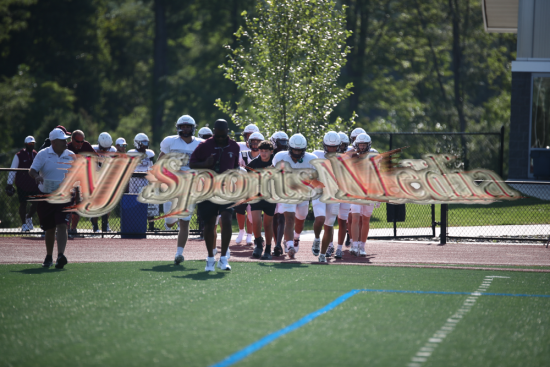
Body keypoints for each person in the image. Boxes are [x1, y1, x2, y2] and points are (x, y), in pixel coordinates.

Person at [189, 119, 240, 271]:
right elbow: (192, 163)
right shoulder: (204, 146)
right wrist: (204, 163)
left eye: (222, 136)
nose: (219, 138)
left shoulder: (234, 146)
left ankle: (223, 258)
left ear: (227, 132)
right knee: (210, 223)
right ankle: (210, 258)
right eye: (217, 136)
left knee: (227, 219)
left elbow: (236, 165)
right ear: (213, 131)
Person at [158, 114, 203, 265]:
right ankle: (170, 221)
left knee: (184, 222)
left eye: (187, 126)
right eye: (182, 126)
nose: (185, 129)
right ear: (178, 128)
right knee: (170, 221)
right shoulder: (170, 141)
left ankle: (179, 253)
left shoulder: (200, 144)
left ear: (193, 128)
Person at [29, 128, 75, 268]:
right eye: (63, 140)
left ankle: (60, 256)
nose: (66, 142)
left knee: (62, 224)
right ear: (54, 142)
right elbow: (32, 170)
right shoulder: (43, 154)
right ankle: (49, 256)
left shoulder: (71, 155)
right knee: (50, 228)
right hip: (46, 196)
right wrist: (36, 176)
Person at [272, 133, 317, 259]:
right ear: (290, 148)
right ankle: (290, 245)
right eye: (295, 150)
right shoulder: (280, 157)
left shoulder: (310, 159)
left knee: (300, 220)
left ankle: (296, 237)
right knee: (289, 218)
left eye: (299, 150)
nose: (297, 153)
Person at [311, 131, 341, 263]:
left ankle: (322, 254)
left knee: (329, 225)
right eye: (329, 146)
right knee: (320, 218)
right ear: (324, 146)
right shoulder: (316, 155)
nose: (332, 149)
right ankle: (317, 238)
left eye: (334, 147)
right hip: (319, 192)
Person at [245, 140, 276, 260]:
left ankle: (268, 249)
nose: (263, 153)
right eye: (261, 151)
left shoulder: (275, 163)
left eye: (266, 151)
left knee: (267, 225)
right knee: (256, 222)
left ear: (271, 152)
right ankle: (258, 243)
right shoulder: (254, 163)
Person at [348, 133, 379, 257]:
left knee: (365, 219)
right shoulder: (352, 155)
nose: (361, 147)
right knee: (355, 218)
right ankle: (354, 245)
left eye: (363, 144)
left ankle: (362, 246)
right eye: (360, 144)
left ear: (368, 145)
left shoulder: (374, 156)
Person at [6, 136, 40, 232]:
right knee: (23, 204)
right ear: (25, 144)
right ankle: (24, 224)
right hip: (22, 184)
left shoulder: (35, 154)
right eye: (30, 144)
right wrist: (9, 183)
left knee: (36, 203)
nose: (31, 145)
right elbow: (13, 169)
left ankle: (28, 217)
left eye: (33, 143)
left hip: (33, 184)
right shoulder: (19, 155)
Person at [235, 131, 264, 246]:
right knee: (240, 210)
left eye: (258, 142)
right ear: (248, 143)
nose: (256, 144)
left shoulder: (265, 157)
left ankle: (250, 235)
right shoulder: (243, 154)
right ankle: (241, 231)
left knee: (252, 213)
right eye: (253, 142)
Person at [66, 130, 96, 235]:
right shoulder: (67, 147)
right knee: (68, 204)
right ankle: (66, 228)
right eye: (77, 141)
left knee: (78, 204)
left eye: (81, 141)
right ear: (72, 139)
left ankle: (73, 229)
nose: (80, 144)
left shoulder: (86, 146)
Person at [127, 133, 158, 231]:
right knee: (135, 202)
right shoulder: (132, 153)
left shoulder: (149, 153)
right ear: (137, 143)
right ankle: (134, 225)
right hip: (135, 180)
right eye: (143, 142)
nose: (145, 145)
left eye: (146, 142)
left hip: (146, 181)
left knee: (150, 203)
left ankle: (151, 226)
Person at [91, 132, 117, 232]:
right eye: (103, 148)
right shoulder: (93, 149)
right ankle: (95, 225)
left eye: (107, 148)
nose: (105, 150)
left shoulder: (113, 150)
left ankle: (105, 224)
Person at [270, 131, 289, 255]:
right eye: (280, 143)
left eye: (284, 143)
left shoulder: (288, 155)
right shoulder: (268, 155)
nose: (282, 145)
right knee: (274, 217)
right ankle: (277, 242)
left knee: (282, 216)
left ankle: (278, 245)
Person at [336, 131, 352, 258]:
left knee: (342, 221)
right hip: (333, 192)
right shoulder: (327, 155)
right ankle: (330, 246)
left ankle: (339, 248)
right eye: (339, 144)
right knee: (329, 221)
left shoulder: (351, 154)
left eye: (343, 145)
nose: (342, 147)